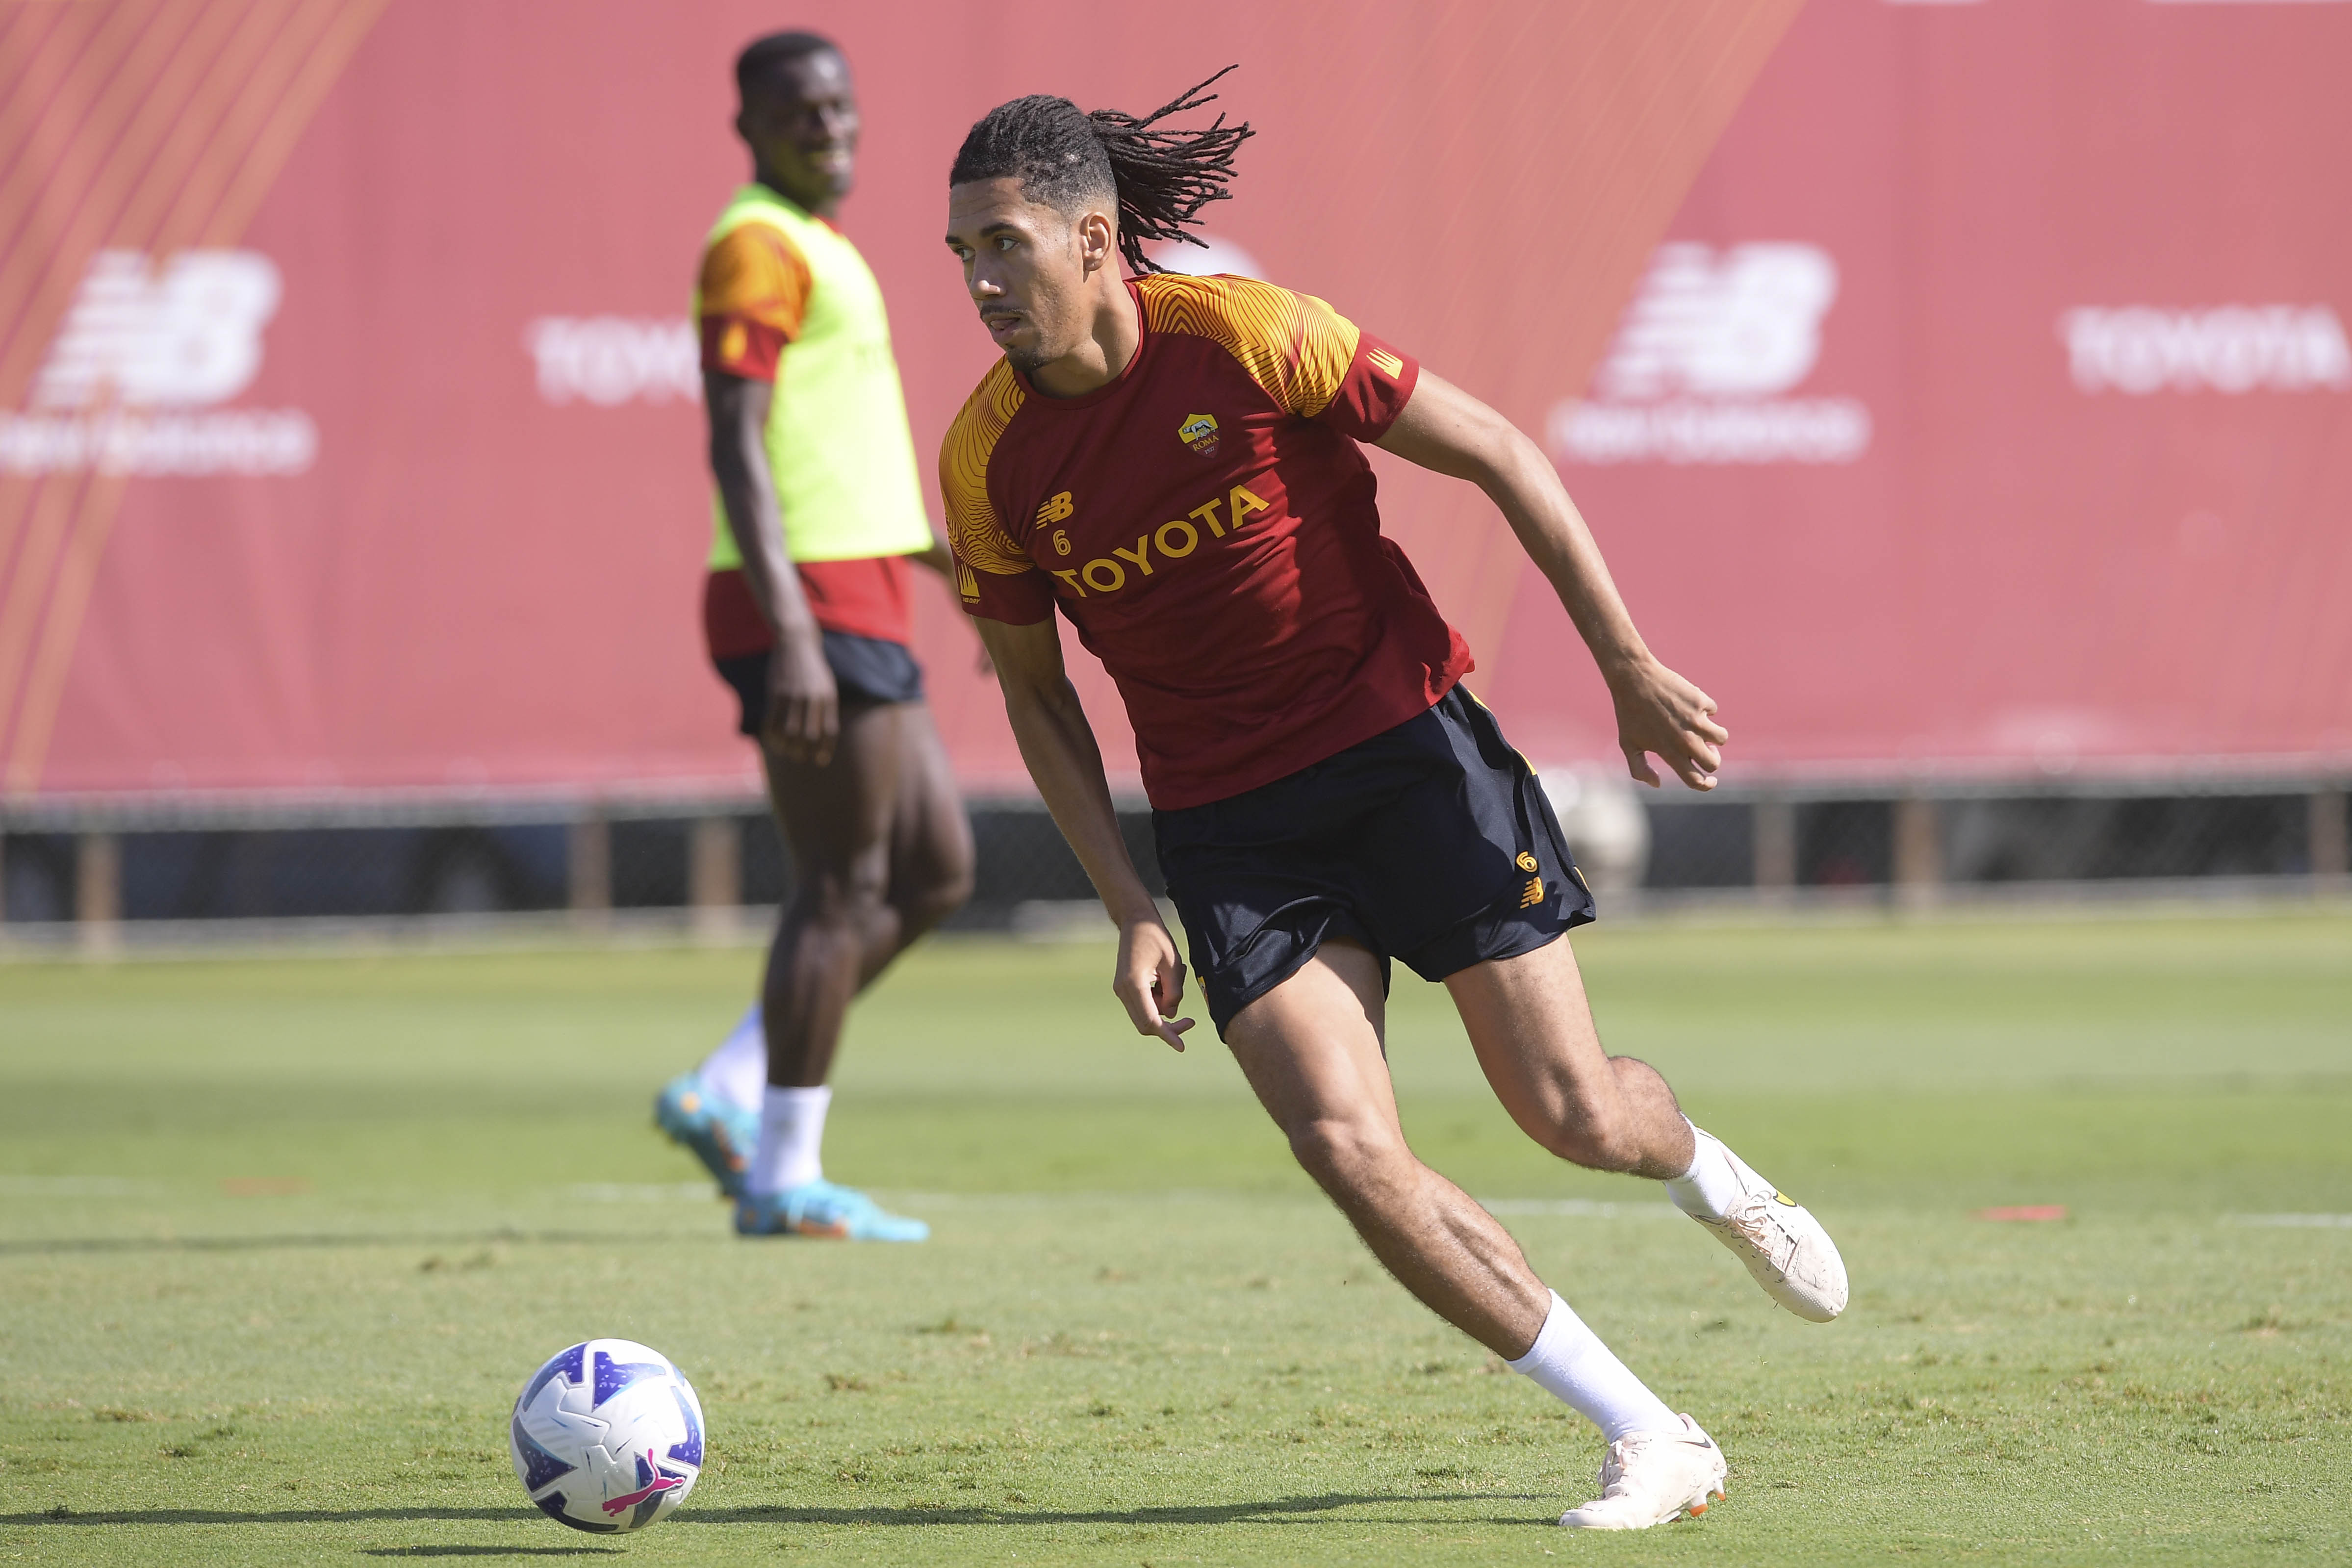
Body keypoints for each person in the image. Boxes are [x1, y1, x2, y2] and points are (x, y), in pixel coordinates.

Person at [937, 73, 1847, 1529]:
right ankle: (1648, 1431)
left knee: (1572, 1113)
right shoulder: (987, 457)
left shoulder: (1242, 335)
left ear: (1097, 241)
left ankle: (1704, 1167)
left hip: (1407, 756)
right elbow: (1035, 696)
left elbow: (1495, 449)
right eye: (962, 255)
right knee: (1346, 1149)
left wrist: (1623, 661)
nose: (981, 281)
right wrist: (1127, 900)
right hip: (1231, 832)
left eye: (1006, 247)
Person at [654, 30, 973, 1242]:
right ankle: (783, 1176)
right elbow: (735, 439)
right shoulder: (756, 245)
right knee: (839, 888)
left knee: (936, 869)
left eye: (839, 104)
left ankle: (727, 1089)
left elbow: (845, 455)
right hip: (806, 603)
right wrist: (790, 625)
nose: (827, 125)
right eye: (798, 109)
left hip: (863, 593)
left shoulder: (823, 247)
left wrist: (950, 574)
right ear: (748, 125)